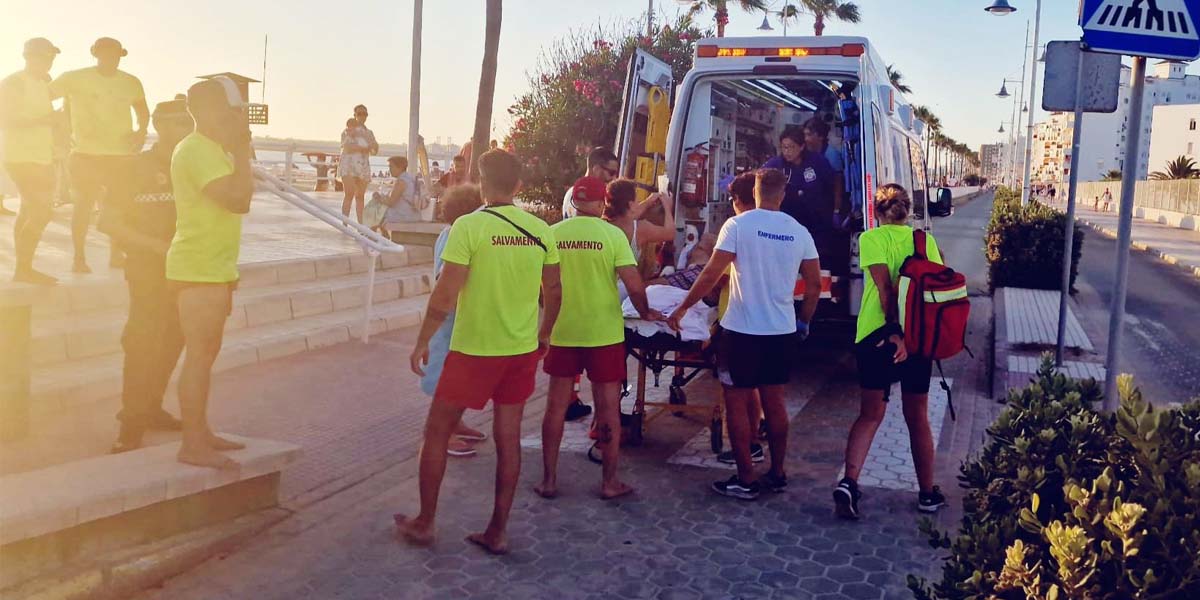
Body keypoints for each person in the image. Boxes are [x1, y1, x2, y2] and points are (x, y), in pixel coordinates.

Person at [399, 148, 562, 555]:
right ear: (519, 185)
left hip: (474, 350)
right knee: (508, 440)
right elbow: (554, 290)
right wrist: (545, 333)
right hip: (521, 350)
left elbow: (445, 293)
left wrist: (423, 340)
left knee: (436, 431)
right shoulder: (540, 229)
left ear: (482, 184)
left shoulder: (468, 227)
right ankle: (498, 530)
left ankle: (425, 522)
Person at [667, 168, 821, 501]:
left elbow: (711, 273)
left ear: (755, 190)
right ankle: (778, 472)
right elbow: (814, 286)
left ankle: (746, 479)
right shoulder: (799, 232)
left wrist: (682, 307)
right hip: (780, 332)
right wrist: (804, 322)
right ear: (783, 194)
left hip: (740, 332)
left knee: (737, 403)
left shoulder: (738, 226)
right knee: (775, 403)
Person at [536, 176, 659, 501]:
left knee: (554, 408)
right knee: (607, 409)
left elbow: (543, 285)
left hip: (563, 331)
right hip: (603, 333)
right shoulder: (612, 235)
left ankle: (549, 480)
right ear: (602, 200)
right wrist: (646, 312)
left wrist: (543, 329)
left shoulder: (552, 233)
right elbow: (634, 286)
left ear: (574, 202)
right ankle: (609, 482)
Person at [834, 184, 946, 519]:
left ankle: (849, 483)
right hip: (918, 339)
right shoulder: (925, 242)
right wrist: (908, 338)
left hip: (876, 336)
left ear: (877, 211)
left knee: (870, 415)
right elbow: (933, 291)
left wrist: (893, 333)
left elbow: (885, 289)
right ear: (908, 210)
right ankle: (927, 494)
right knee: (917, 417)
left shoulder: (871, 239)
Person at [165, 77, 255, 469]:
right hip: (197, 267)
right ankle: (192, 443)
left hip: (214, 267)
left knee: (207, 354)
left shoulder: (212, 149)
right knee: (199, 357)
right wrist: (242, 151)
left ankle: (201, 432)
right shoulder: (197, 150)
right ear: (204, 111)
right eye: (229, 110)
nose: (235, 117)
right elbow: (239, 200)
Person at [99, 97, 193, 453]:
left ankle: (152, 408)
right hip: (147, 270)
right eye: (176, 122)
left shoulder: (196, 166)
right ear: (158, 123)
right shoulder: (132, 168)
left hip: (188, 271)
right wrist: (155, 246)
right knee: (142, 344)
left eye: (189, 123)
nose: (184, 130)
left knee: (176, 339)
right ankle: (131, 423)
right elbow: (107, 221)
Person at [50, 37, 149, 274]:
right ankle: (79, 258)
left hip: (121, 156)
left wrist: (142, 132)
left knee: (119, 208)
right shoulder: (74, 78)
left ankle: (116, 255)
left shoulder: (131, 82)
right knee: (83, 206)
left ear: (120, 55)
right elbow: (42, 97)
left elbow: (143, 111)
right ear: (95, 53)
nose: (109, 57)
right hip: (85, 155)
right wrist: (58, 130)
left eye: (114, 53)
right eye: (104, 52)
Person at [419, 184, 489, 457]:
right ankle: (440, 434)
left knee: (459, 379)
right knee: (447, 381)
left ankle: (455, 423)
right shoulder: (455, 236)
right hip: (451, 320)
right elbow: (446, 281)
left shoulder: (449, 233)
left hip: (459, 320)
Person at [1, 38, 60, 285]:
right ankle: (24, 268)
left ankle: (23, 269)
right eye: (45, 57)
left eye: (51, 57)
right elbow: (6, 119)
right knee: (42, 211)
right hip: (20, 157)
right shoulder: (13, 82)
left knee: (28, 210)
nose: (49, 61)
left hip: (42, 156)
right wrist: (46, 120)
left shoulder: (45, 82)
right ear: (30, 56)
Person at [763, 126, 836, 237]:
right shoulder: (777, 164)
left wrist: (836, 210)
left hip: (817, 222)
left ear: (801, 146)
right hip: (788, 222)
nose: (787, 152)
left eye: (791, 147)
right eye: (784, 147)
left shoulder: (818, 161)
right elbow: (759, 174)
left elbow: (833, 184)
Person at [802, 117, 846, 226]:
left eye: (809, 135)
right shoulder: (807, 154)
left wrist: (836, 210)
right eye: (805, 135)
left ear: (820, 136)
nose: (806, 139)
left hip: (828, 205)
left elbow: (838, 185)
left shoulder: (831, 155)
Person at [561, 147, 619, 220]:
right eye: (611, 173)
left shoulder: (571, 192)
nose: (614, 178)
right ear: (596, 169)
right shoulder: (594, 198)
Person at [339, 112, 372, 222]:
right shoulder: (346, 132)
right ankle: (344, 223)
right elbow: (347, 147)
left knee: (360, 196)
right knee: (349, 194)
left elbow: (373, 148)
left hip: (362, 166)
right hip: (349, 165)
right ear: (355, 115)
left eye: (364, 114)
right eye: (359, 114)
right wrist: (363, 148)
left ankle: (361, 225)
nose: (362, 116)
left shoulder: (368, 133)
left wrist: (366, 147)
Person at [375, 156, 421, 229]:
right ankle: (382, 237)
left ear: (399, 167)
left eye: (391, 167)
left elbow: (391, 202)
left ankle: (370, 236)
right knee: (380, 213)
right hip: (414, 214)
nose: (389, 170)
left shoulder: (401, 181)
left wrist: (379, 198)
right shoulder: (411, 178)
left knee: (375, 212)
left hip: (404, 215)